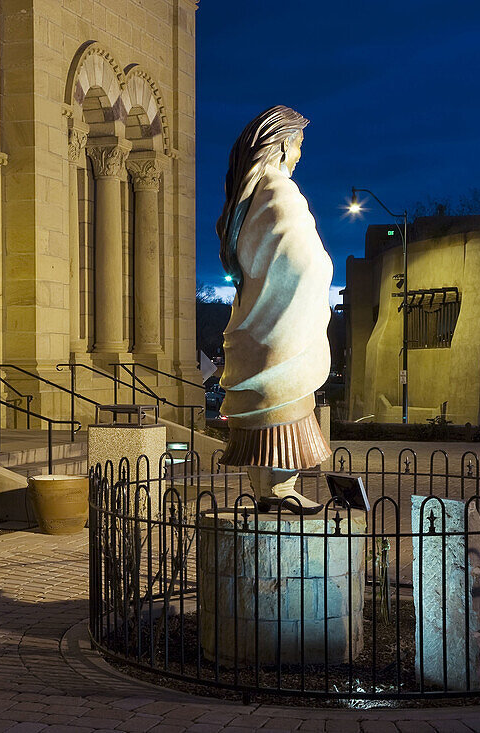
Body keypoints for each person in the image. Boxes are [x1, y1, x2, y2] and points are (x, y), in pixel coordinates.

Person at [216, 106, 333, 514]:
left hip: (257, 325)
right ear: (283, 144)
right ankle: (281, 490)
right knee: (287, 412)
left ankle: (268, 491)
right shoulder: (279, 191)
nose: (300, 155)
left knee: (262, 419)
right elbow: (304, 260)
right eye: (299, 145)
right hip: (281, 332)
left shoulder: (248, 200)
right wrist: (324, 270)